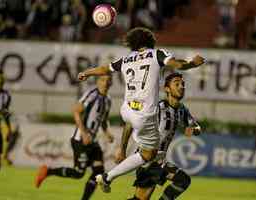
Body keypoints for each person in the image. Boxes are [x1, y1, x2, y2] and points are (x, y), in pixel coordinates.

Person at [77, 27, 205, 193]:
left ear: (133, 44)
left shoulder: (126, 59)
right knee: (149, 154)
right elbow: (177, 64)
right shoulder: (156, 54)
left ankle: (109, 177)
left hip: (127, 109)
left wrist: (86, 73)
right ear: (150, 41)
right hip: (144, 114)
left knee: (147, 155)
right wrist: (192, 63)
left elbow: (104, 69)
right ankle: (108, 177)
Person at [115, 73, 201, 200]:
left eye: (183, 84)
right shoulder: (157, 108)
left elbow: (197, 127)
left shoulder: (182, 110)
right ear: (166, 89)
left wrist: (194, 129)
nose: (181, 86)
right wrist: (122, 149)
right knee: (182, 180)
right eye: (176, 83)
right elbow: (129, 124)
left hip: (159, 161)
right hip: (147, 160)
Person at [35, 75, 114, 200]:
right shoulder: (92, 94)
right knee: (78, 173)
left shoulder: (108, 100)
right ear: (98, 82)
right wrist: (83, 133)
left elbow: (103, 120)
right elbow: (76, 110)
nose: (106, 83)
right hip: (80, 140)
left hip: (93, 141)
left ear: (111, 83)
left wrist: (107, 133)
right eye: (103, 80)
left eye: (108, 80)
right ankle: (48, 171)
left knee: (98, 171)